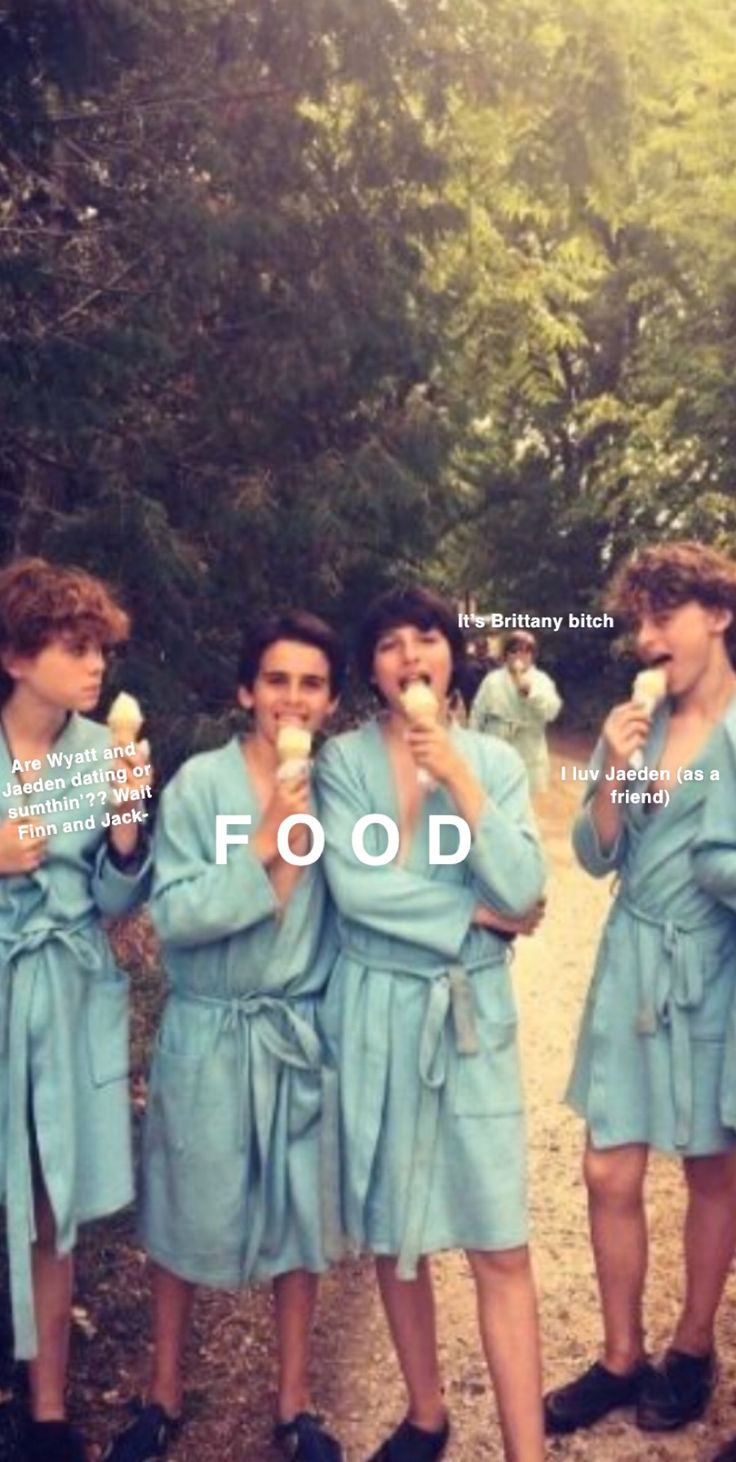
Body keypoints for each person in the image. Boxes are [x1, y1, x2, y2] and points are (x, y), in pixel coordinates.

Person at [104, 612, 346, 1462]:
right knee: (181, 1210)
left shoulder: (342, 788)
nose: (291, 697)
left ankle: (294, 1404)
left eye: (310, 683)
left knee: (299, 1220)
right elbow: (173, 915)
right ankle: (162, 1391)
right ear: (247, 690)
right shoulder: (200, 788)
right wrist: (266, 845)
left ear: (332, 701)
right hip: (209, 1029)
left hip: (295, 1031)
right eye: (276, 680)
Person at [315, 586, 546, 1462]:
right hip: (375, 1009)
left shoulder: (493, 762)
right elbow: (356, 889)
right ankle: (424, 1414)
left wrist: (453, 772)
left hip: (470, 1015)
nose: (410, 655)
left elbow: (522, 886)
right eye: (388, 644)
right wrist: (472, 916)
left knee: (499, 1239)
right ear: (371, 668)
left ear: (453, 654)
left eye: (427, 638)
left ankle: (527, 1451)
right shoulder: (341, 764)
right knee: (392, 1234)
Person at [544, 541, 736, 1439]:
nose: (648, 639)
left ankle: (692, 1347)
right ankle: (621, 1356)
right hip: (631, 959)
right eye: (639, 623)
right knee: (606, 1166)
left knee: (710, 1165)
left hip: (713, 965)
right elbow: (591, 853)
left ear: (718, 616)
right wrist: (611, 771)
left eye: (665, 617)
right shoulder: (636, 724)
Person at [0, 557, 152, 1462]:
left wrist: (127, 833)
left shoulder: (103, 752)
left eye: (100, 648)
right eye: (74, 646)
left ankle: (47, 1409)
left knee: (54, 1202)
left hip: (64, 990)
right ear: (17, 656)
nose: (96, 665)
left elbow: (116, 900)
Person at [470, 631, 561, 792]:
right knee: (494, 798)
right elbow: (478, 714)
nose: (520, 655)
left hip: (528, 748)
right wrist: (475, 748)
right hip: (496, 744)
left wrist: (531, 694)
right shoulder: (492, 680)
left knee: (522, 802)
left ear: (533, 655)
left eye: (526, 651)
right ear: (506, 654)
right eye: (514, 651)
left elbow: (551, 712)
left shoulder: (541, 680)